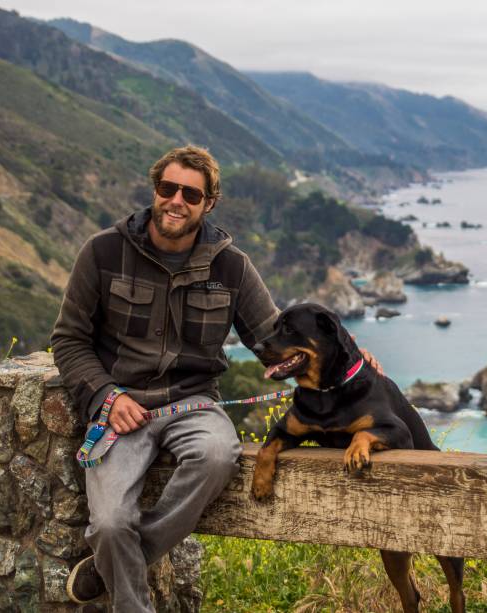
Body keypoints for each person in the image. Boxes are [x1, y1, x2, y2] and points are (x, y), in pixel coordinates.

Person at [52, 145, 379, 610]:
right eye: (168, 189)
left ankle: (120, 558)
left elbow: (274, 339)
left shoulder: (232, 266)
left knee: (218, 454)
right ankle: (115, 556)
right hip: (120, 411)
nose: (176, 201)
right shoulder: (102, 252)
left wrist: (350, 364)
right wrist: (107, 396)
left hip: (194, 405)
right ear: (155, 190)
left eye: (191, 193)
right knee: (107, 525)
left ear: (209, 203)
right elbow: (68, 340)